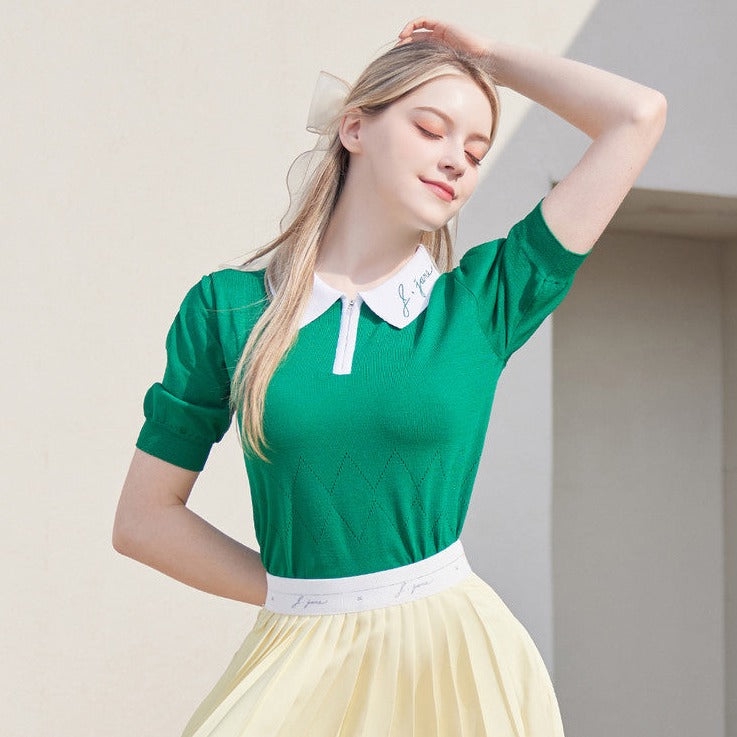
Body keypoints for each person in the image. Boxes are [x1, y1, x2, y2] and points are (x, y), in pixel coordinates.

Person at [113, 17, 666, 737]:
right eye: (431, 129)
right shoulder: (228, 309)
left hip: (451, 662)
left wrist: (486, 57)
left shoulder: (482, 304)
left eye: (476, 150)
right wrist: (298, 594)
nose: (456, 160)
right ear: (354, 128)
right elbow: (144, 520)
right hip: (295, 653)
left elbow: (636, 116)